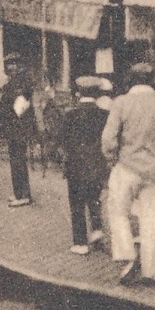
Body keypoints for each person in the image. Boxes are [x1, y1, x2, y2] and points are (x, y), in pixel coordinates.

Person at [102, 61, 155, 286]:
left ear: (131, 80)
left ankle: (127, 256)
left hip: (126, 167)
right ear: (152, 81)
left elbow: (108, 139)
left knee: (117, 212)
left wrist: (111, 158)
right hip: (154, 169)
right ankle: (150, 272)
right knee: (150, 219)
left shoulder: (121, 103)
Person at [60, 76, 111, 255]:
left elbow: (64, 141)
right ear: (97, 94)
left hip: (75, 165)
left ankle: (80, 242)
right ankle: (97, 230)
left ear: (79, 92)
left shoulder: (69, 114)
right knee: (94, 198)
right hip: (97, 164)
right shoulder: (105, 115)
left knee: (76, 203)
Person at [0, 58, 37, 207]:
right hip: (15, 128)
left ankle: (23, 195)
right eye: (9, 65)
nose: (10, 67)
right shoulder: (18, 81)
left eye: (13, 64)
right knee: (16, 160)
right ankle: (18, 192)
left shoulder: (21, 82)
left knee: (18, 161)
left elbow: (17, 107)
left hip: (17, 128)